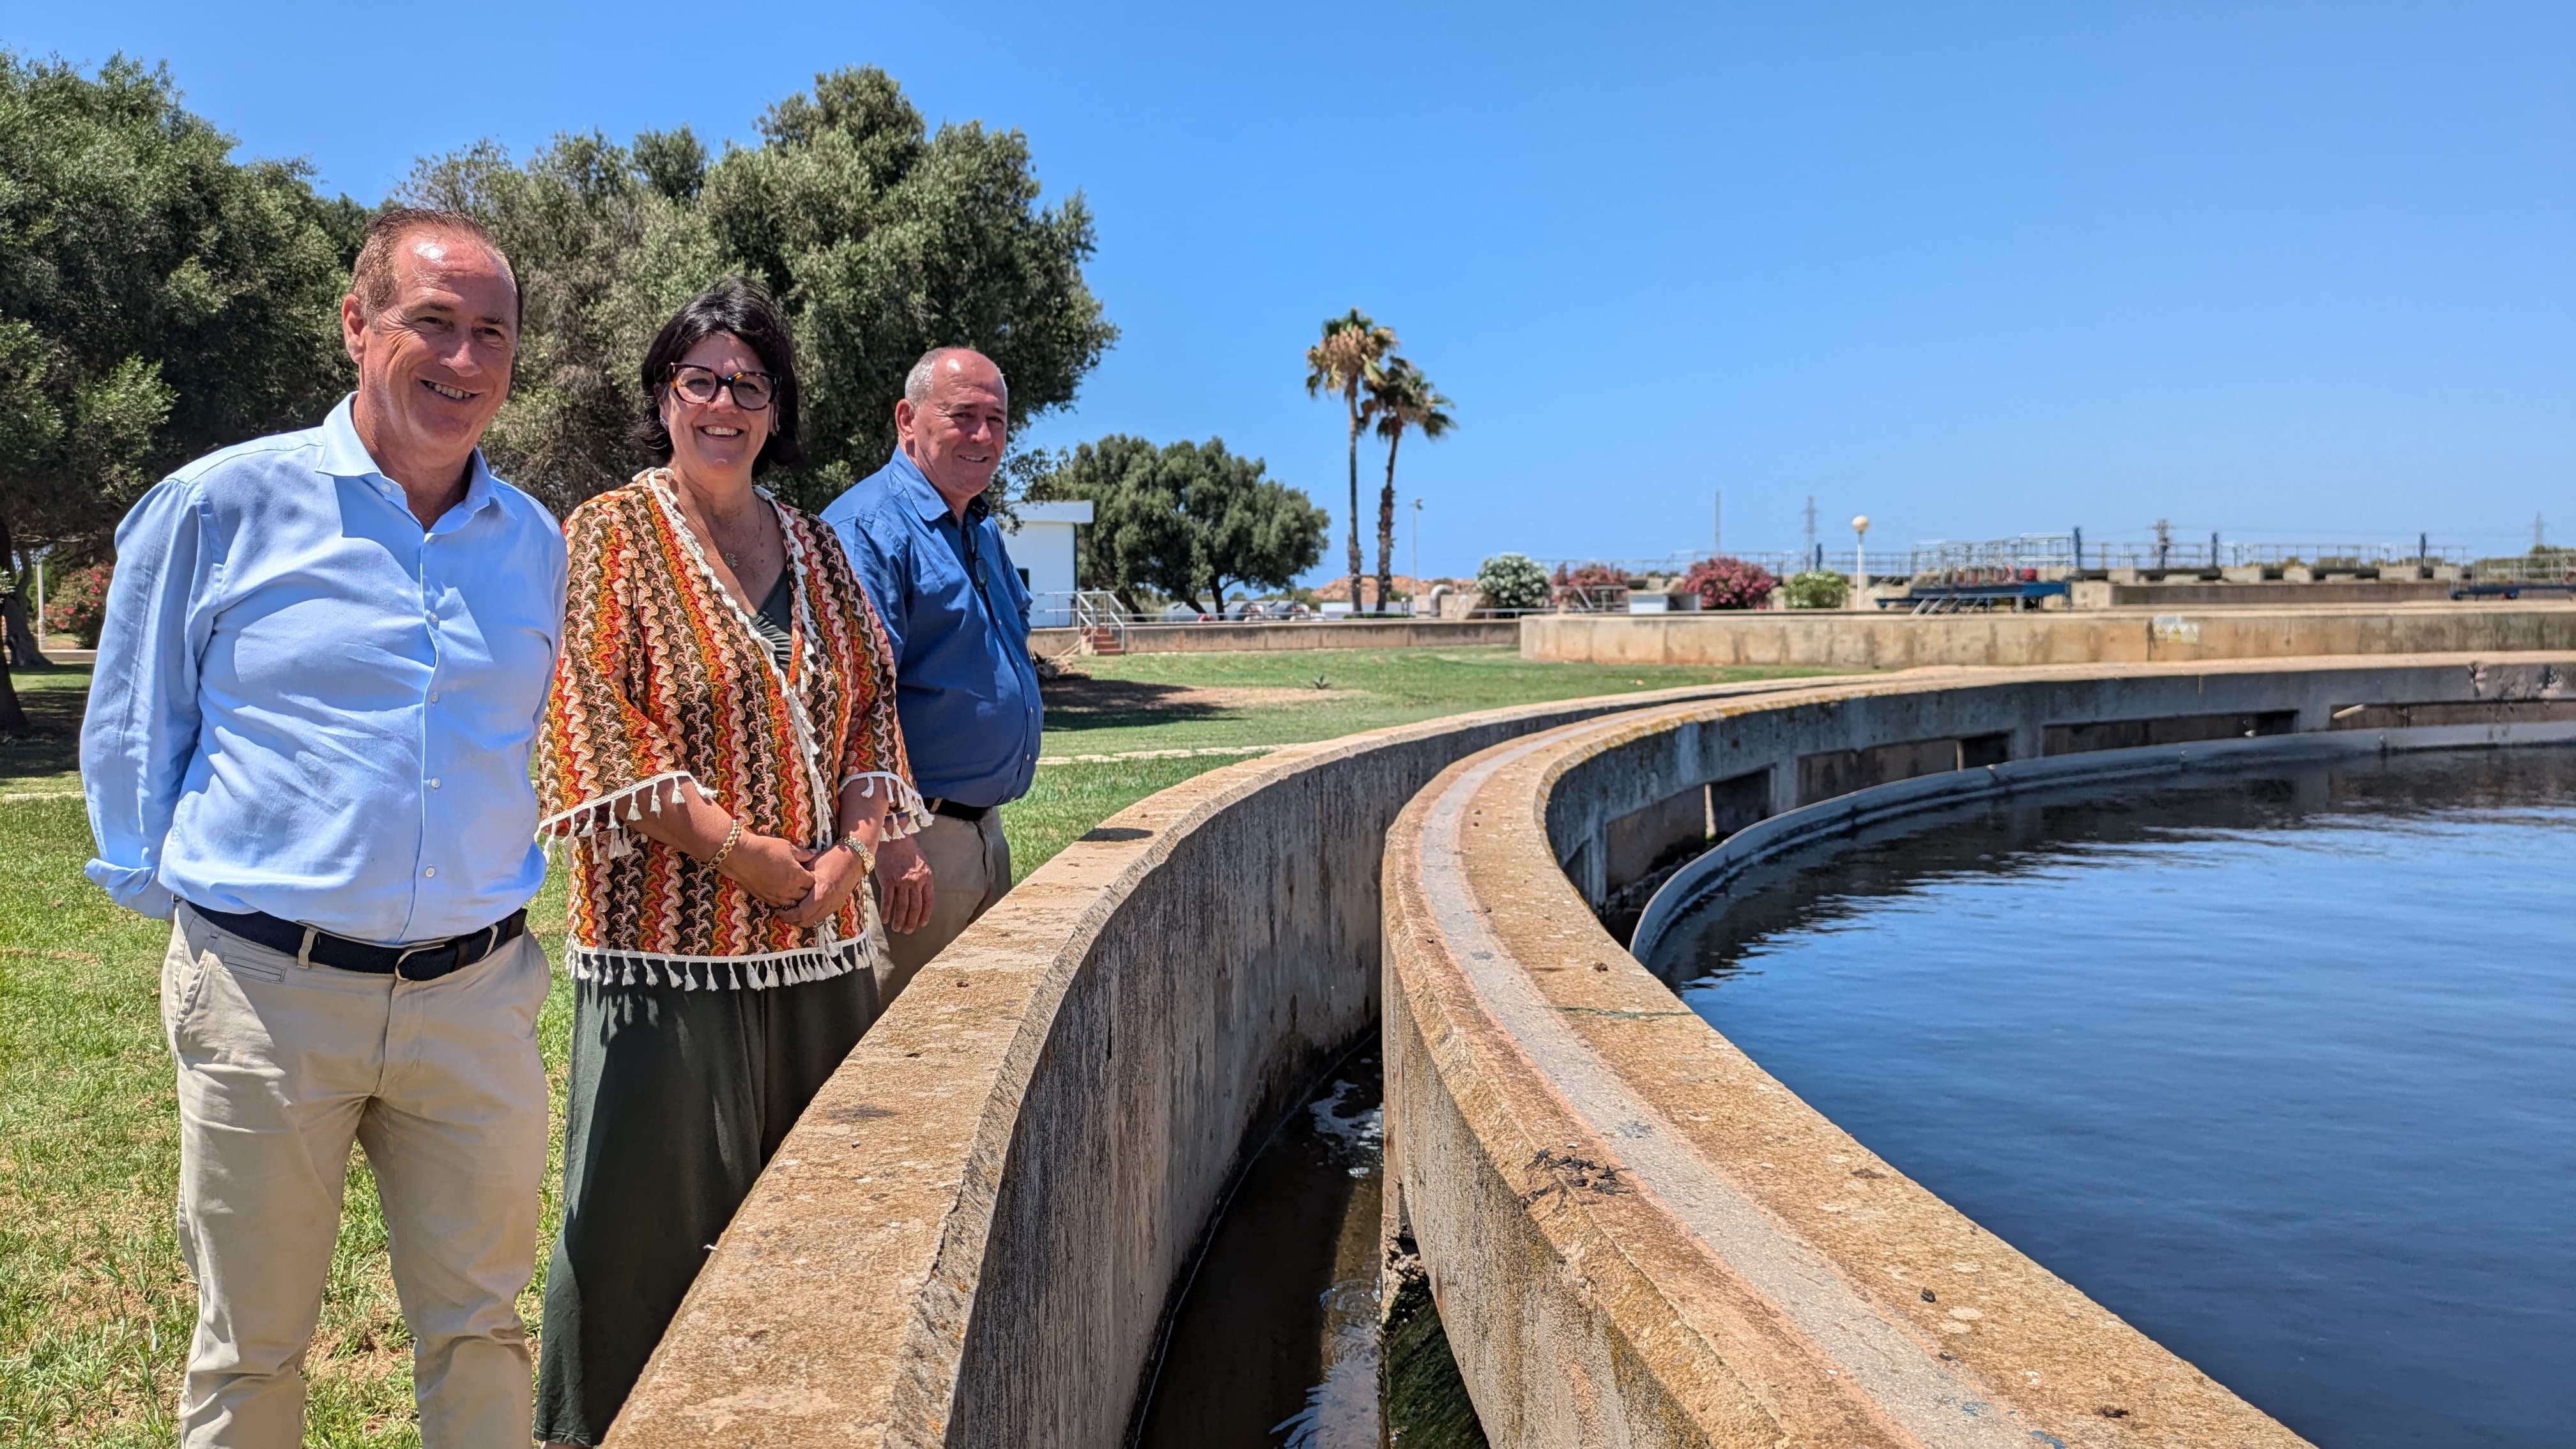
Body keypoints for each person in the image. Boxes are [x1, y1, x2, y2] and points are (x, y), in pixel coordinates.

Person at [80, 210, 562, 1448]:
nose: (464, 362)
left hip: (474, 1001)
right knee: (250, 1356)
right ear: (357, 326)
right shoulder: (217, 507)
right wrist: (215, 937)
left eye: (491, 335)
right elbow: (137, 741)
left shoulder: (534, 546)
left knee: (485, 1335)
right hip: (265, 997)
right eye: (433, 325)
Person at [532, 279, 927, 1446]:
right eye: (698, 379)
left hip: (822, 949)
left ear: (774, 407)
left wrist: (852, 852)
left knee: (814, 1222)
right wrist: (740, 851)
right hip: (666, 957)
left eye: (746, 384)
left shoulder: (813, 543)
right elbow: (591, 713)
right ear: (663, 397)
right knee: (632, 1234)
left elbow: (869, 709)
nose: (722, 403)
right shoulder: (608, 531)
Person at [821, 347, 1043, 997]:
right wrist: (889, 840)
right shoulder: (869, 528)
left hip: (981, 833)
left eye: (996, 420)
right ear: (907, 419)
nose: (983, 436)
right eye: (962, 416)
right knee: (894, 1061)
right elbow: (853, 698)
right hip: (914, 848)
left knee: (970, 1047)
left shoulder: (978, 526)